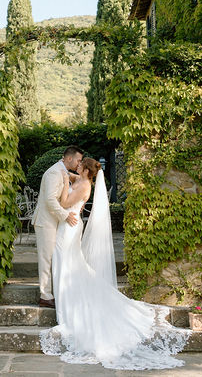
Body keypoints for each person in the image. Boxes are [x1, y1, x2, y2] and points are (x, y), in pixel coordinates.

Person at [41, 157, 189, 370]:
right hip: (70, 225)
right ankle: (66, 304)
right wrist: (65, 174)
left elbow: (64, 203)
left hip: (69, 225)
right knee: (71, 264)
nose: (77, 165)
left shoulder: (82, 185)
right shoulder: (83, 180)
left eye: (80, 164)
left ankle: (67, 309)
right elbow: (72, 176)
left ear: (85, 170)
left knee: (66, 263)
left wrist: (65, 184)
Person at [32, 146, 83, 309]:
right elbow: (50, 200)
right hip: (46, 221)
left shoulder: (63, 170)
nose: (79, 163)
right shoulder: (54, 172)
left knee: (54, 257)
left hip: (55, 222)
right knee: (46, 258)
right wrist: (66, 215)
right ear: (69, 159)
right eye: (78, 160)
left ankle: (54, 291)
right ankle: (45, 295)